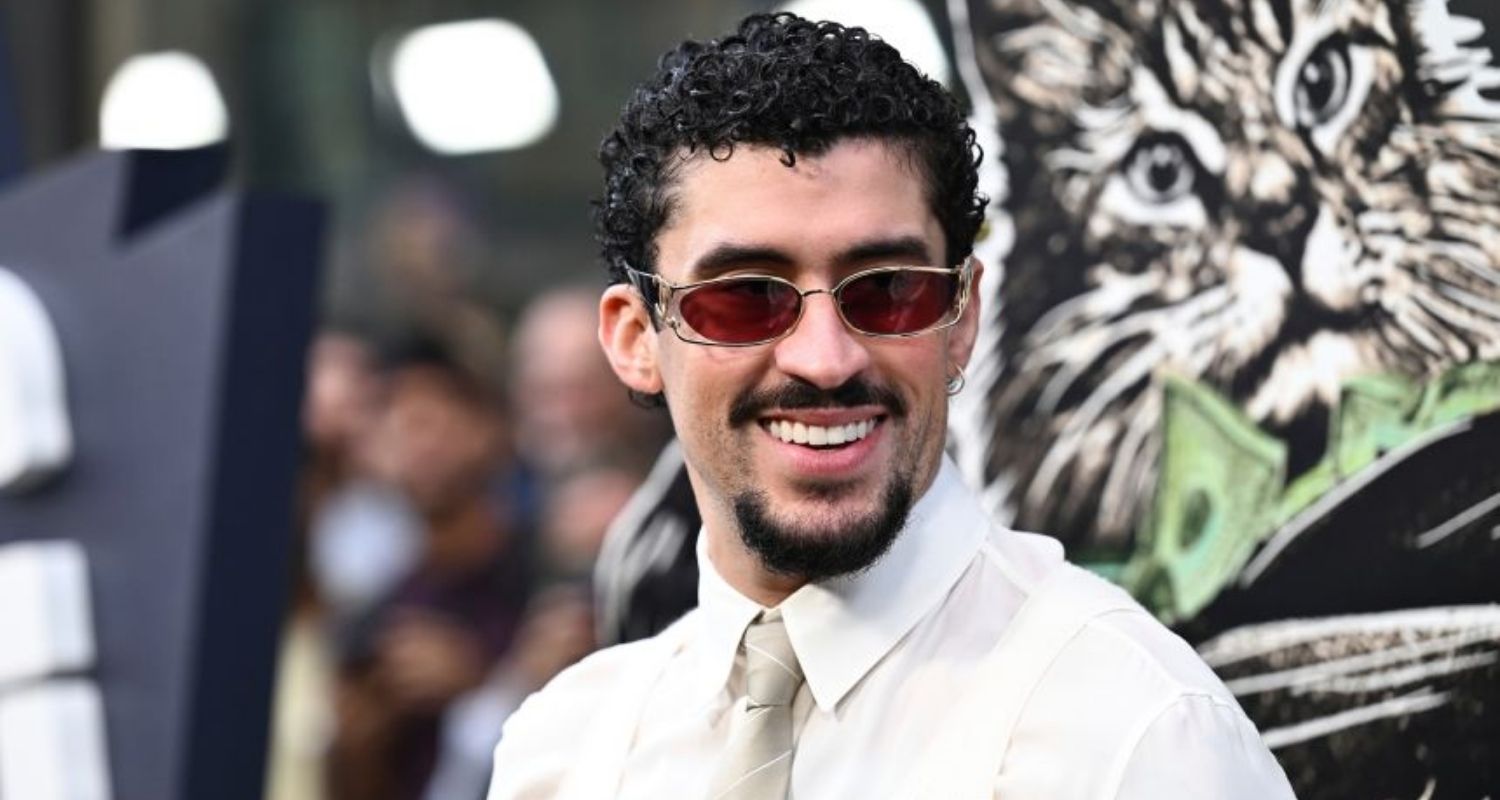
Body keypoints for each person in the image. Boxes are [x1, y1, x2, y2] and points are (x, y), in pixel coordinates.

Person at [487, 13, 1295, 799]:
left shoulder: (1129, 735)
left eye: (889, 291)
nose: (824, 358)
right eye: (744, 299)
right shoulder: (566, 752)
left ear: (962, 320)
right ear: (635, 338)